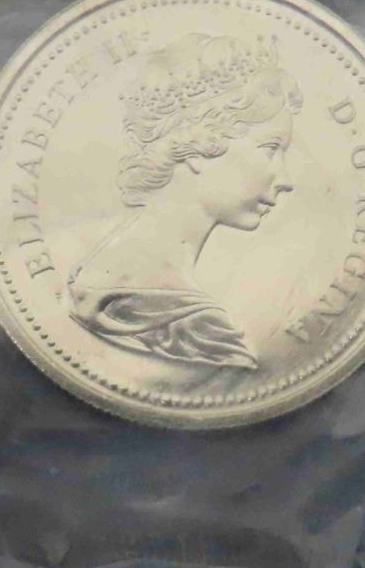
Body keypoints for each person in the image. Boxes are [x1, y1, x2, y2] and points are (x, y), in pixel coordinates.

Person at [67, 33, 301, 371]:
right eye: (270, 149)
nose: (285, 179)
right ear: (198, 143)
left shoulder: (93, 272)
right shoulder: (196, 333)